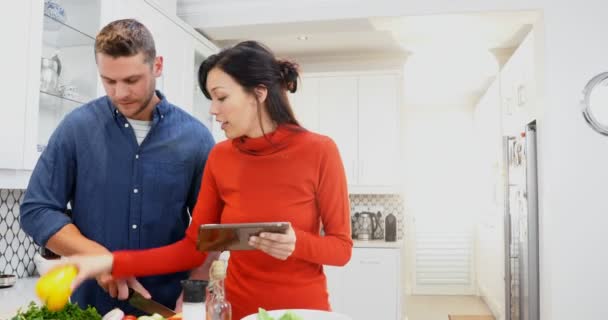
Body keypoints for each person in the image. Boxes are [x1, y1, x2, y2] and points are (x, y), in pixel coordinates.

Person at [64, 40, 353, 319]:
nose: (213, 110)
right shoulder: (221, 157)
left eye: (222, 97)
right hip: (237, 313)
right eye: (211, 99)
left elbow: (341, 249)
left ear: (259, 93)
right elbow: (193, 248)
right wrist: (113, 261)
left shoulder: (319, 151)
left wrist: (296, 243)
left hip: (301, 313)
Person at [20, 19, 215, 316]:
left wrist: (196, 291)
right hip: (90, 308)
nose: (120, 93)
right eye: (109, 81)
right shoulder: (76, 128)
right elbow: (37, 210)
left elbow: (210, 232)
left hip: (165, 307)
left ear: (157, 66)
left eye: (132, 80)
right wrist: (100, 258)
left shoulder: (197, 139)